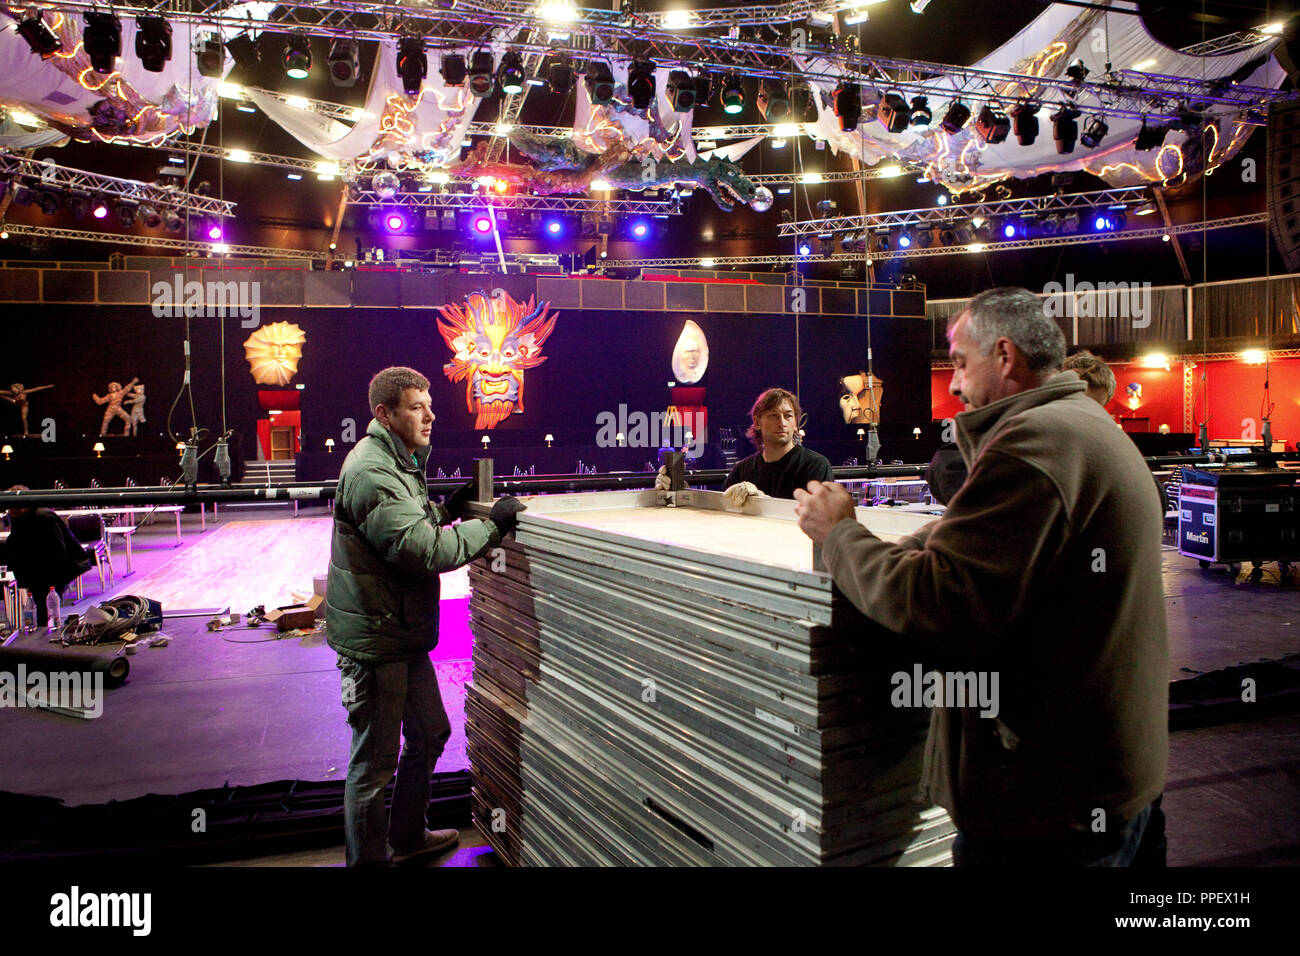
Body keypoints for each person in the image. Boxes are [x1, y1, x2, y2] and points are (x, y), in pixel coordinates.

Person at [794, 287, 1168, 866]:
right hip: (1107, 786)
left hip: (1044, 813)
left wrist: (839, 533)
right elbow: (986, 546)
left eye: (961, 363)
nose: (954, 384)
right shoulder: (1079, 425)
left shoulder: (1034, 445)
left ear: (1004, 355)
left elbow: (936, 605)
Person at [325, 366, 525, 867]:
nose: (431, 414)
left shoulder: (398, 461)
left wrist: (445, 512)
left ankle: (408, 836)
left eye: (429, 404)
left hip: (399, 634)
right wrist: (491, 530)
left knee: (430, 734)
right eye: (416, 407)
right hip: (376, 641)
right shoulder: (372, 470)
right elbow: (420, 549)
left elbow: (410, 526)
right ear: (385, 414)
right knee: (372, 767)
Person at [721, 388, 834, 504]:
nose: (782, 423)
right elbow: (724, 514)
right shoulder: (741, 471)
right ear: (757, 422)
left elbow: (821, 517)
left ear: (796, 423)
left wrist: (765, 504)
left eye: (788, 416)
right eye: (774, 415)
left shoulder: (815, 466)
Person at [1, 485, 91, 627]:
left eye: (15, 508)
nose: (12, 511)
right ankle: (45, 629)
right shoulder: (19, 517)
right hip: (36, 567)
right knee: (41, 603)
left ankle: (47, 632)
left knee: (47, 604)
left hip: (53, 568)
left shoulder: (44, 517)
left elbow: (58, 550)